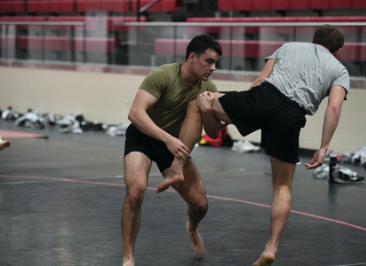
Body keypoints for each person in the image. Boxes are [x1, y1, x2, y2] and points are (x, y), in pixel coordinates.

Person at [160, 25, 350, 266]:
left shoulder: (289, 47)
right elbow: (334, 108)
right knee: (282, 187)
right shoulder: (339, 70)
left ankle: (177, 166)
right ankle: (270, 249)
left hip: (263, 99)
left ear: (314, 40)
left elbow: (261, 80)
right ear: (338, 50)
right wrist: (323, 147)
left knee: (200, 101)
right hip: (291, 117)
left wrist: (244, 108)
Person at [121, 34, 222, 266]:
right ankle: (128, 256)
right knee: (135, 191)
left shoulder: (209, 87)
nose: (213, 68)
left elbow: (214, 133)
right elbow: (135, 113)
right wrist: (167, 139)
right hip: (144, 137)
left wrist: (207, 111)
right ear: (192, 57)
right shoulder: (163, 75)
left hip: (175, 145)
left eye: (215, 63)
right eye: (209, 61)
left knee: (200, 205)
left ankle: (192, 228)